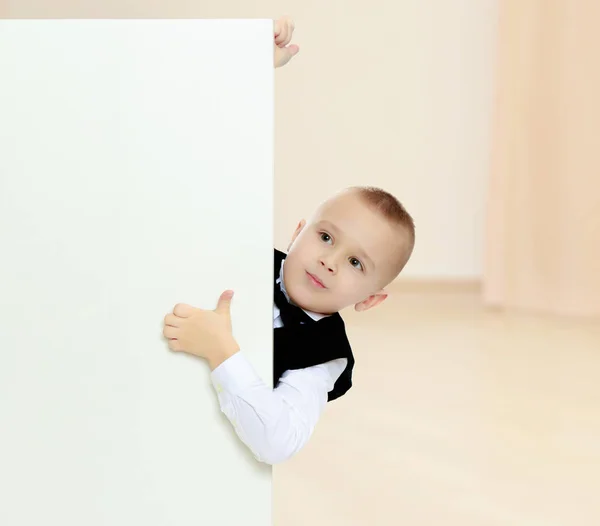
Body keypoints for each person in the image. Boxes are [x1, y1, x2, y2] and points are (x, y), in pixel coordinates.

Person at [162, 19, 416, 465]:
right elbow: (214, 162)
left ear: (371, 300)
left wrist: (222, 350)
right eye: (324, 237)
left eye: (357, 263)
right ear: (297, 231)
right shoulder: (248, 253)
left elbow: (277, 442)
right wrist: (253, 71)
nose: (330, 262)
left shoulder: (325, 357)